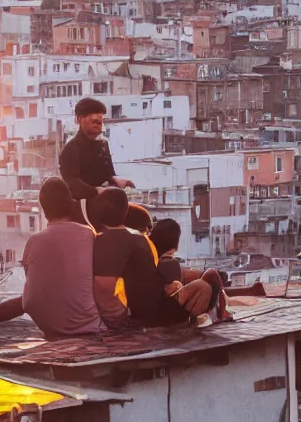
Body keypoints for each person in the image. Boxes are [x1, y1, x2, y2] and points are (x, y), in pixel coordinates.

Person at [0, 178, 104, 338]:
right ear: (70, 204)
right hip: (91, 327)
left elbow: (31, 296)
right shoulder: (88, 235)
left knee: (28, 298)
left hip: (52, 328)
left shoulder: (34, 242)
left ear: (44, 209)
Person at [92, 189, 212, 329]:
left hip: (147, 310)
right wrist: (120, 320)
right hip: (149, 315)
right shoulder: (137, 239)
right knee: (205, 285)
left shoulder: (99, 239)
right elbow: (105, 285)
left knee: (198, 285)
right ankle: (188, 327)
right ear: (125, 210)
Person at [150, 218, 231, 328]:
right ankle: (223, 310)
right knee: (209, 277)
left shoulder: (154, 259)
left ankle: (221, 307)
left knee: (206, 277)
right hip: (170, 309)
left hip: (166, 307)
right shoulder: (169, 263)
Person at [59, 97, 135, 204]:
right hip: (82, 206)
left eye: (100, 123)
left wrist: (117, 180)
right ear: (80, 119)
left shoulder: (103, 144)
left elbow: (107, 173)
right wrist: (96, 191)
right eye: (95, 122)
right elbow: (72, 183)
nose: (99, 127)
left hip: (104, 201)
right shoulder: (71, 148)